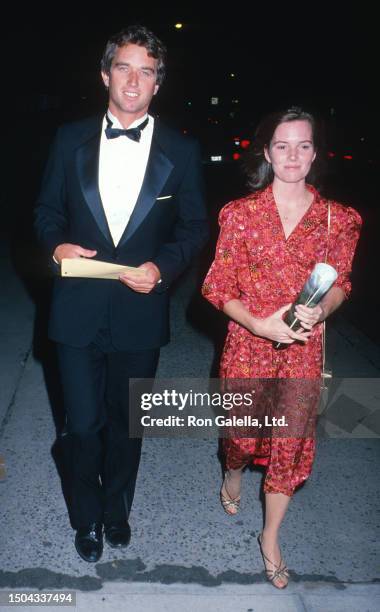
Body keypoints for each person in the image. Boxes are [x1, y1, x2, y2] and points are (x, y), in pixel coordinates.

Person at [34, 25, 208, 563]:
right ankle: (85, 520)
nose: (135, 80)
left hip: (139, 312)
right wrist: (57, 246)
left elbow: (195, 226)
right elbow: (46, 212)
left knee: (127, 425)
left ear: (158, 84)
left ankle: (117, 512)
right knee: (81, 425)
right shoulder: (69, 139)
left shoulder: (181, 150)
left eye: (148, 71)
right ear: (106, 74)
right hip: (77, 313)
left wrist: (163, 267)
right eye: (125, 67)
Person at [202, 107, 361, 588]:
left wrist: (323, 309)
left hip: (302, 353)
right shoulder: (240, 214)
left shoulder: (339, 220)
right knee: (241, 439)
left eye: (304, 145)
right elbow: (216, 285)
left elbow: (342, 284)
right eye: (283, 145)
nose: (293, 155)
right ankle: (232, 472)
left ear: (315, 153)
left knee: (289, 450)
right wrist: (257, 322)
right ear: (267, 152)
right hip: (247, 345)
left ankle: (270, 537)